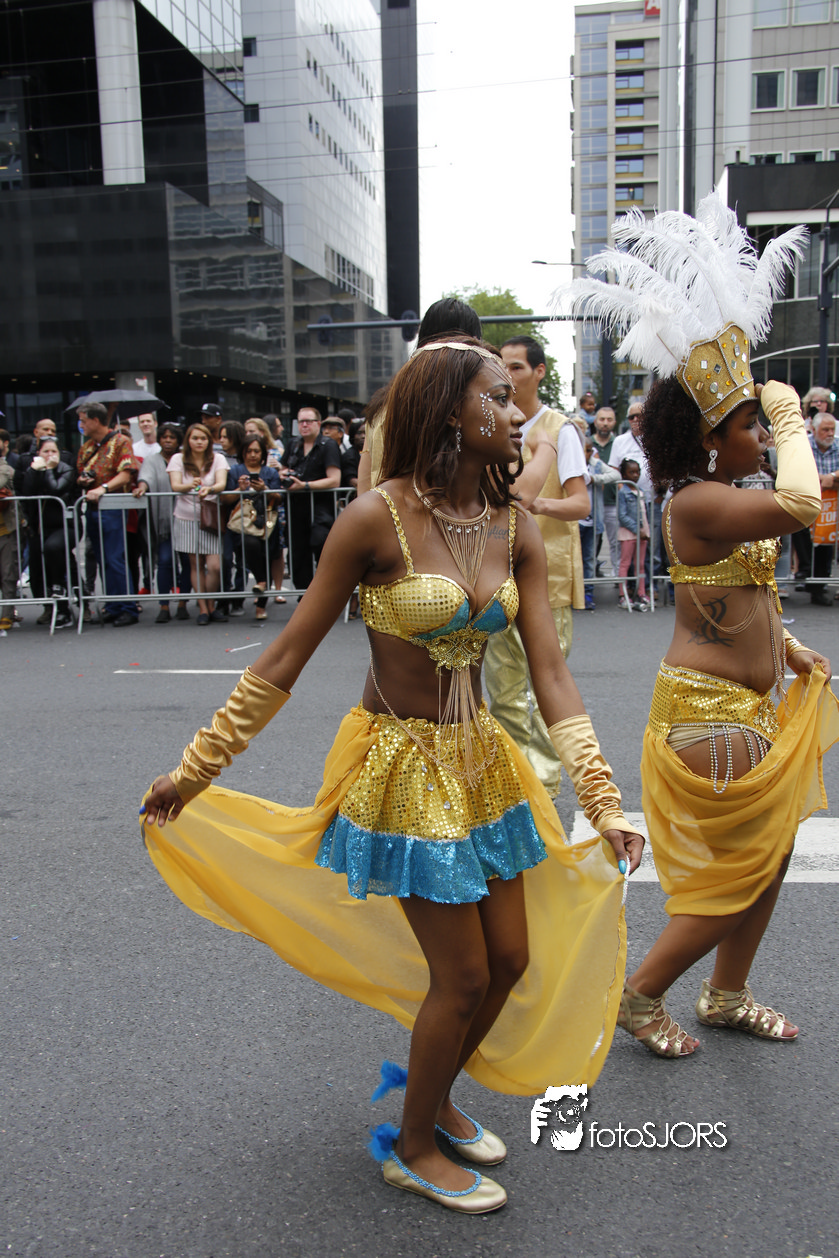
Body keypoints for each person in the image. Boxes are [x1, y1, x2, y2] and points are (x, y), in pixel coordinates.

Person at [141, 335, 643, 1214]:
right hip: (404, 769)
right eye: (497, 396)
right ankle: (411, 1148)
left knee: (511, 958)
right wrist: (196, 769)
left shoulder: (513, 525)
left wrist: (602, 800)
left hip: (481, 761)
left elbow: (552, 677)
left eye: (514, 396)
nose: (517, 413)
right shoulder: (375, 518)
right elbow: (286, 656)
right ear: (449, 412)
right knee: (463, 976)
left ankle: (433, 1098)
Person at [567, 192, 839, 1058]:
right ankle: (641, 993)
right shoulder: (696, 502)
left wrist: (786, 648)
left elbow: (731, 598)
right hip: (708, 717)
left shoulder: (719, 498)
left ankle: (725, 994)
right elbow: (803, 504)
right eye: (748, 424)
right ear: (711, 439)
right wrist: (791, 412)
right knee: (739, 875)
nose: (760, 433)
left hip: (745, 707)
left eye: (761, 422)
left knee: (769, 858)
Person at [483, 334, 589, 797]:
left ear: (540, 372)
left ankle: (544, 790)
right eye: (502, 367)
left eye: (518, 367)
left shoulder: (559, 429)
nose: (508, 375)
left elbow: (581, 503)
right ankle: (512, 785)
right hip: (496, 573)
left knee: (547, 687)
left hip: (549, 577)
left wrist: (535, 504)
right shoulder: (491, 422)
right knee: (504, 693)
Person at [358, 298, 483, 496]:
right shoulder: (470, 402)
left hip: (386, 511)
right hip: (441, 513)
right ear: (474, 342)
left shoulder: (385, 401)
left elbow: (365, 481)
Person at [75, 402, 139, 626]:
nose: (81, 425)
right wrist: (84, 480)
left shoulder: (121, 441)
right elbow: (82, 471)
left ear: (95, 420)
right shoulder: (86, 447)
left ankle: (128, 607)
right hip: (92, 507)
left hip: (113, 506)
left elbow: (127, 473)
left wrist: (103, 488)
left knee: (114, 558)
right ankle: (113, 605)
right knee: (102, 558)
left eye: (83, 420)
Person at [167, 422, 229, 625]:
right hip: (185, 517)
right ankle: (204, 608)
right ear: (188, 441)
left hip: (210, 518)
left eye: (203, 438)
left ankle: (211, 605)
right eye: (195, 438)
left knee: (214, 566)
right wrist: (189, 485)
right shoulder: (178, 459)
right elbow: (175, 485)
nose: (199, 442)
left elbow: (221, 483)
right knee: (196, 565)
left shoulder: (218, 458)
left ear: (209, 441)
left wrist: (209, 489)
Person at [133, 423, 190, 624]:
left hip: (186, 519)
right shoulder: (152, 460)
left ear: (178, 440)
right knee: (164, 561)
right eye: (164, 437)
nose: (168, 441)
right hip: (164, 522)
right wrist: (142, 487)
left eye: (172, 437)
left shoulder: (185, 459)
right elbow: (145, 478)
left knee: (187, 562)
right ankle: (164, 605)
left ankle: (182, 604)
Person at [280, 407, 341, 592]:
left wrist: (305, 485)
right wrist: (285, 474)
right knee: (297, 555)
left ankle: (325, 593)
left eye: (308, 421)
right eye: (301, 422)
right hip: (295, 509)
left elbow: (335, 480)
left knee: (321, 545)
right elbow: (282, 469)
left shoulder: (328, 445)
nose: (304, 425)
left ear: (318, 424)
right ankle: (304, 596)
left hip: (321, 507)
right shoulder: (293, 444)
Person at [224, 434, 284, 620]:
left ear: (263, 453)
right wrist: (240, 489)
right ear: (242, 452)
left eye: (256, 451)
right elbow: (225, 499)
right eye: (249, 451)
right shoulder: (235, 471)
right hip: (242, 524)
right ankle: (261, 582)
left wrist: (264, 489)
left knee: (266, 559)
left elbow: (279, 498)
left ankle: (261, 606)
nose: (252, 455)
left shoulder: (270, 473)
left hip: (267, 522)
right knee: (249, 550)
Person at [20, 437, 78, 627]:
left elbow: (56, 490)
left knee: (53, 548)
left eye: (54, 451)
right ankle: (53, 606)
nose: (50, 455)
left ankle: (70, 598)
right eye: (46, 452)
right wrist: (35, 471)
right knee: (38, 564)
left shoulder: (65, 469)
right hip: (39, 527)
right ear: (38, 454)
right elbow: (27, 492)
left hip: (65, 526)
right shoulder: (33, 469)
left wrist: (50, 469)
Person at [616, 458, 650, 610]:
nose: (635, 475)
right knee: (625, 563)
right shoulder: (623, 492)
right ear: (624, 475)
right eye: (631, 472)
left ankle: (641, 592)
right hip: (629, 533)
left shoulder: (641, 491)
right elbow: (622, 516)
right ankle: (623, 594)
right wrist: (637, 529)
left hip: (642, 534)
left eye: (637, 472)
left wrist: (645, 531)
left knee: (640, 564)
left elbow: (645, 514)